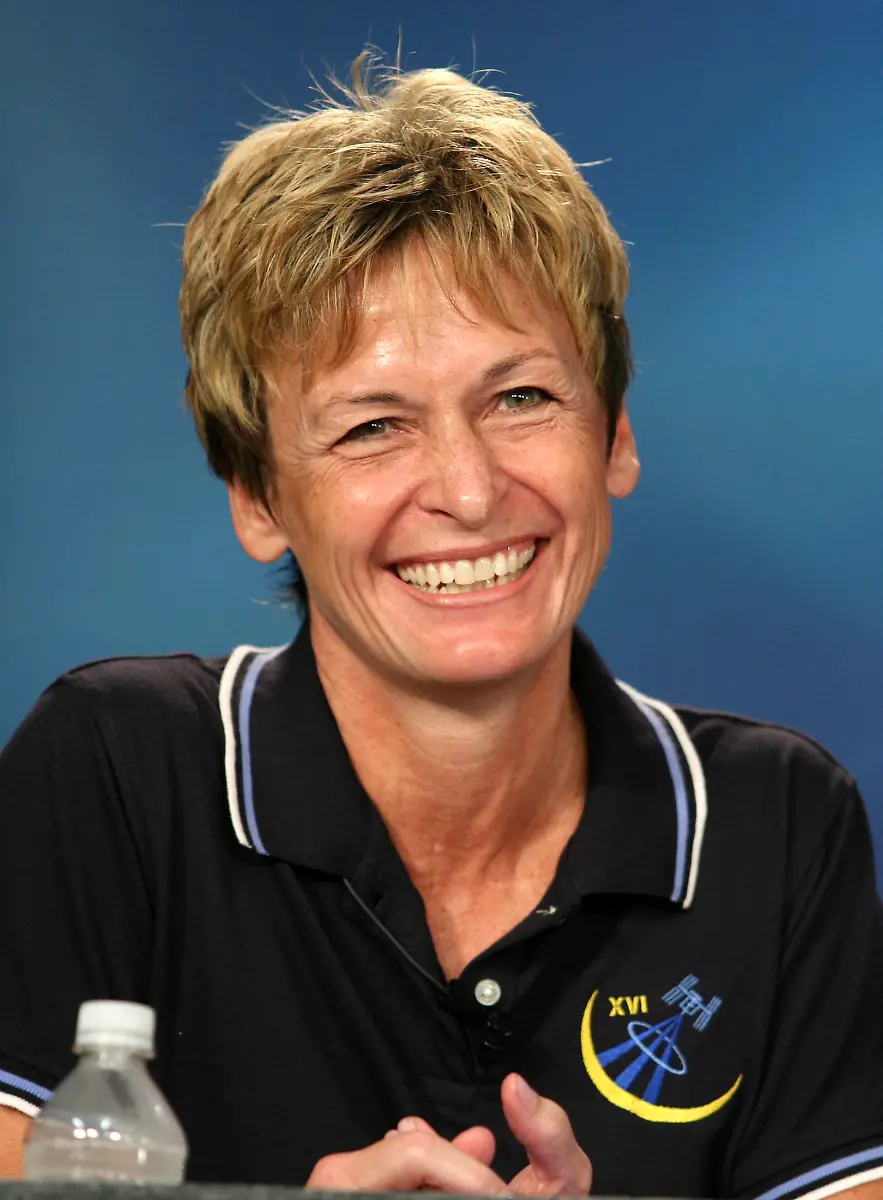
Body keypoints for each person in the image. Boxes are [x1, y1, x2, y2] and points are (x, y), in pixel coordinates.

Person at [1, 55, 882, 1198]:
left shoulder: (776, 825)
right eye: (372, 427)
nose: (467, 490)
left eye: (521, 398)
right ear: (259, 499)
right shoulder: (114, 776)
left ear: (613, 434)